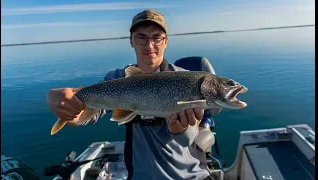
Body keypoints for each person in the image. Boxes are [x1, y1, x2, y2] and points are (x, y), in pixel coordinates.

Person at [46, 9, 220, 180]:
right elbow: (84, 116)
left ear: (166, 41)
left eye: (156, 37)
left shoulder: (187, 80)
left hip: (189, 176)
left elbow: (187, 140)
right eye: (141, 37)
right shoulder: (116, 79)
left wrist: (179, 129)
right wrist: (62, 104)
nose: (149, 44)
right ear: (131, 41)